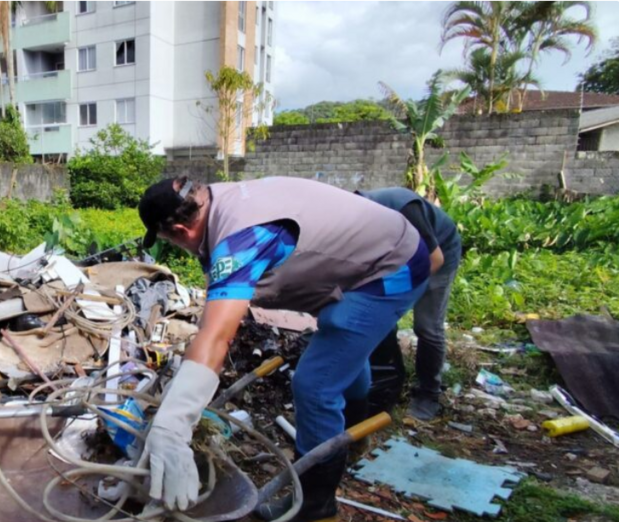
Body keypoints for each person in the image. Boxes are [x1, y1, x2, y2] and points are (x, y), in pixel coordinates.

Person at [138, 176, 430, 521]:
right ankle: (349, 441)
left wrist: (172, 426)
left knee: (316, 383)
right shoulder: (219, 200)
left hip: (391, 268)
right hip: (368, 255)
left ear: (179, 231)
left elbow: (217, 336)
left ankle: (316, 504)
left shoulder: (241, 238)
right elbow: (216, 316)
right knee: (342, 356)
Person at [357, 187, 462, 421]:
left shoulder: (404, 207)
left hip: (439, 252)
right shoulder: (360, 220)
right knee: (380, 316)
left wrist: (399, 294)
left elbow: (434, 260)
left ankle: (429, 394)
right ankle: (390, 378)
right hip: (399, 254)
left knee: (427, 326)